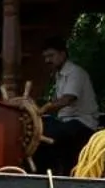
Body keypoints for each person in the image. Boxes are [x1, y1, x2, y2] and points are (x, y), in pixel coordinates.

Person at [38, 38, 100, 173]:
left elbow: (67, 99)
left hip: (83, 123)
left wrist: (44, 108)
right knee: (40, 129)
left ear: (63, 54)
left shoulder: (75, 72)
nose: (47, 60)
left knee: (49, 133)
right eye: (45, 57)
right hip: (66, 122)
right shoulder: (58, 75)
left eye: (51, 56)